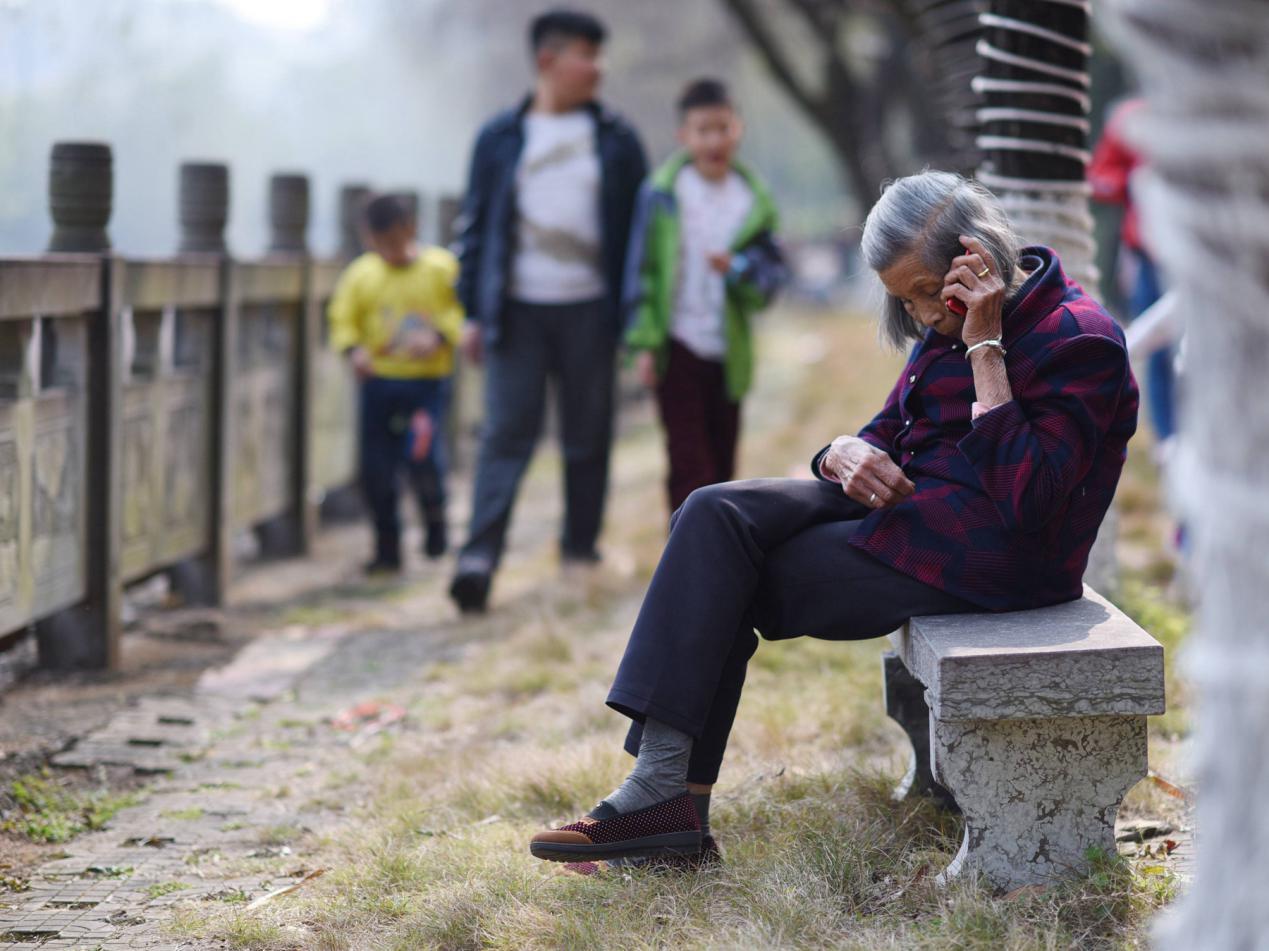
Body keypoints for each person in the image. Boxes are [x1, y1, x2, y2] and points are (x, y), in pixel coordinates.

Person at [526, 171, 1140, 867]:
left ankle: (664, 806)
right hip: (911, 506)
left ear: (976, 255)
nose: (917, 315)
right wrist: (839, 454)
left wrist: (985, 350)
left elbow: (1031, 504)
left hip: (994, 555)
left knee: (724, 579)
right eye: (900, 298)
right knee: (710, 513)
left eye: (920, 292)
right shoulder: (943, 317)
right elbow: (884, 430)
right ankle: (662, 802)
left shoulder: (1079, 339)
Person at [449, 8, 649, 613]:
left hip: (591, 309)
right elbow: (475, 227)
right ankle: (478, 558)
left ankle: (578, 552)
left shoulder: (617, 140)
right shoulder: (499, 137)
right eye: (585, 55)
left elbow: (639, 237)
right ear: (547, 61)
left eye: (599, 56)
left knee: (587, 437)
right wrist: (471, 312)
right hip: (516, 311)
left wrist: (636, 319)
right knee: (505, 435)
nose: (598, 68)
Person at [625, 77, 787, 516]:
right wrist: (642, 342)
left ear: (739, 129)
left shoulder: (752, 201)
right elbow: (642, 270)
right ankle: (684, 561)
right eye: (703, 130)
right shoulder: (663, 195)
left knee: (722, 463)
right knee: (687, 460)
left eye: (723, 128)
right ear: (684, 136)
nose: (714, 140)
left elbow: (769, 281)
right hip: (675, 341)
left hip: (729, 348)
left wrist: (738, 270)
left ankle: (719, 558)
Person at [328, 194, 464, 574]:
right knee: (377, 469)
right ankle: (387, 549)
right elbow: (341, 317)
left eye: (396, 240)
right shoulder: (361, 275)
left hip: (427, 384)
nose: (390, 250)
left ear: (411, 229)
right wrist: (353, 350)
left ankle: (436, 530)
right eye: (381, 243)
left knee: (423, 457)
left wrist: (438, 335)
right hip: (379, 384)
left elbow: (461, 312)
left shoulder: (441, 269)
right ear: (368, 238)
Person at [1090, 97, 1176, 445]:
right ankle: (1166, 439)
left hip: (1202, 255)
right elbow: (1098, 178)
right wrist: (1134, 184)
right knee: (1155, 350)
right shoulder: (1131, 120)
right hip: (1148, 255)